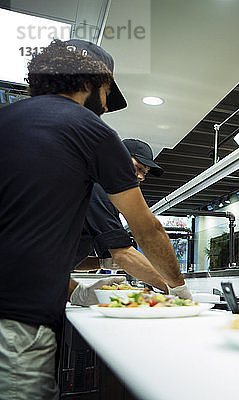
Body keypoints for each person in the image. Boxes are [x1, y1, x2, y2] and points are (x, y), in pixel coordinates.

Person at [0, 39, 189, 399]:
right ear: (90, 82)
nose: (105, 106)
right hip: (19, 321)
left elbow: (19, 236)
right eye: (106, 91)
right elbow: (145, 228)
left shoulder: (5, 120)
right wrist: (179, 292)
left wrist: (75, 290)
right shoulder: (90, 129)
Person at [70, 139, 170, 295]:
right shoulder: (95, 187)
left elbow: (67, 261)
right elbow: (123, 253)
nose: (141, 177)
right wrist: (171, 286)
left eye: (145, 172)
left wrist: (102, 263)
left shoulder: (102, 192)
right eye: (137, 168)